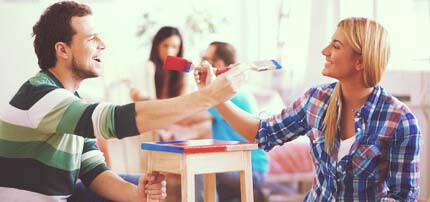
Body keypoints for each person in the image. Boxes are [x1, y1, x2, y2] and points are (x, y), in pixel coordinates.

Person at [0, 1, 246, 202]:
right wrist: (208, 96)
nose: (103, 45)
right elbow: (116, 120)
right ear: (63, 50)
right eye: (92, 39)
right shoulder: (40, 96)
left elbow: (93, 170)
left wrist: (135, 193)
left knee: (129, 183)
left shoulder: (70, 102)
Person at [195, 17, 421, 201]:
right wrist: (213, 95)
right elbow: (262, 132)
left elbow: (402, 196)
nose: (325, 51)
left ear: (359, 62)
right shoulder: (316, 100)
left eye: (336, 46)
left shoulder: (400, 121)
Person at [197, 42, 269, 202]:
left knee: (199, 167)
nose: (204, 64)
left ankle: (253, 193)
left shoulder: (231, 92)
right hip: (232, 165)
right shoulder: (221, 92)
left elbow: (193, 115)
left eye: (209, 60)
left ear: (224, 65)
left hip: (251, 169)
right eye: (203, 58)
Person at [129, 26, 212, 141]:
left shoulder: (183, 73)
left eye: (174, 47)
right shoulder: (147, 68)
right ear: (157, 46)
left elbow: (182, 106)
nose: (169, 51)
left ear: (179, 49)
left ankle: (173, 135)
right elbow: (143, 104)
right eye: (165, 45)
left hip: (174, 117)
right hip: (155, 117)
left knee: (207, 121)